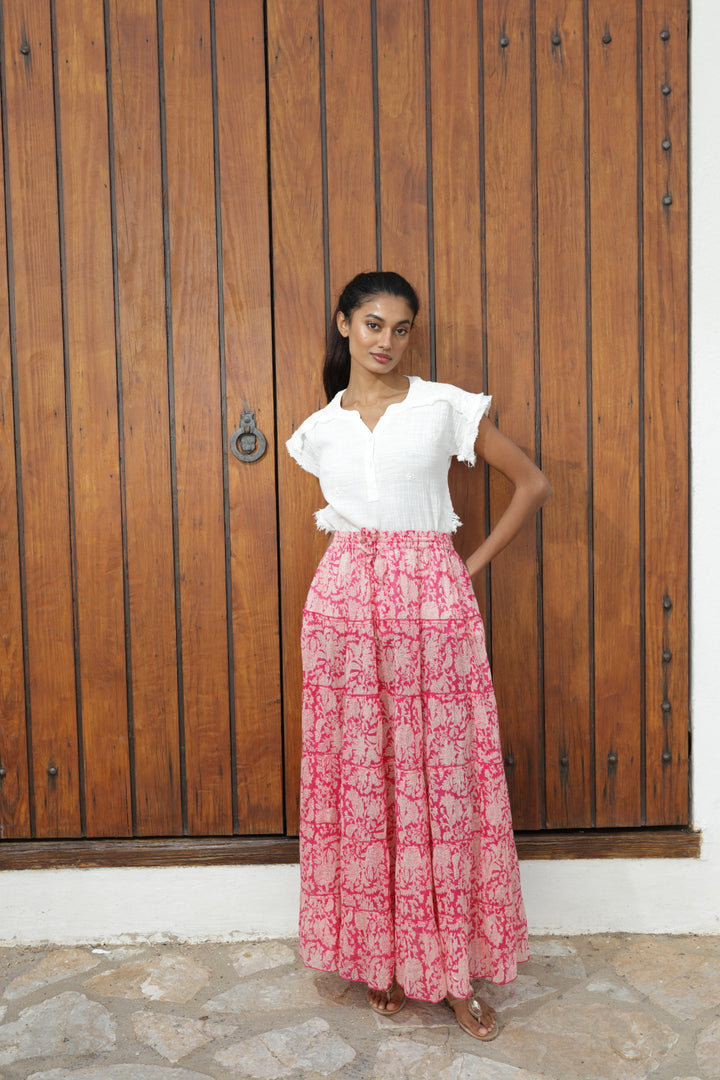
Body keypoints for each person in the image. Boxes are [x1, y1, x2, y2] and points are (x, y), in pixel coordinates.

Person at [286, 270, 551, 1041]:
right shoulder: (317, 431)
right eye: (373, 324)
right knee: (362, 781)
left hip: (432, 606)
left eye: (401, 328)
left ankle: (454, 972)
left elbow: (531, 483)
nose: (387, 341)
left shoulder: (444, 406)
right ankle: (384, 959)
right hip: (343, 611)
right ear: (344, 324)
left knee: (443, 782)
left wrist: (465, 566)